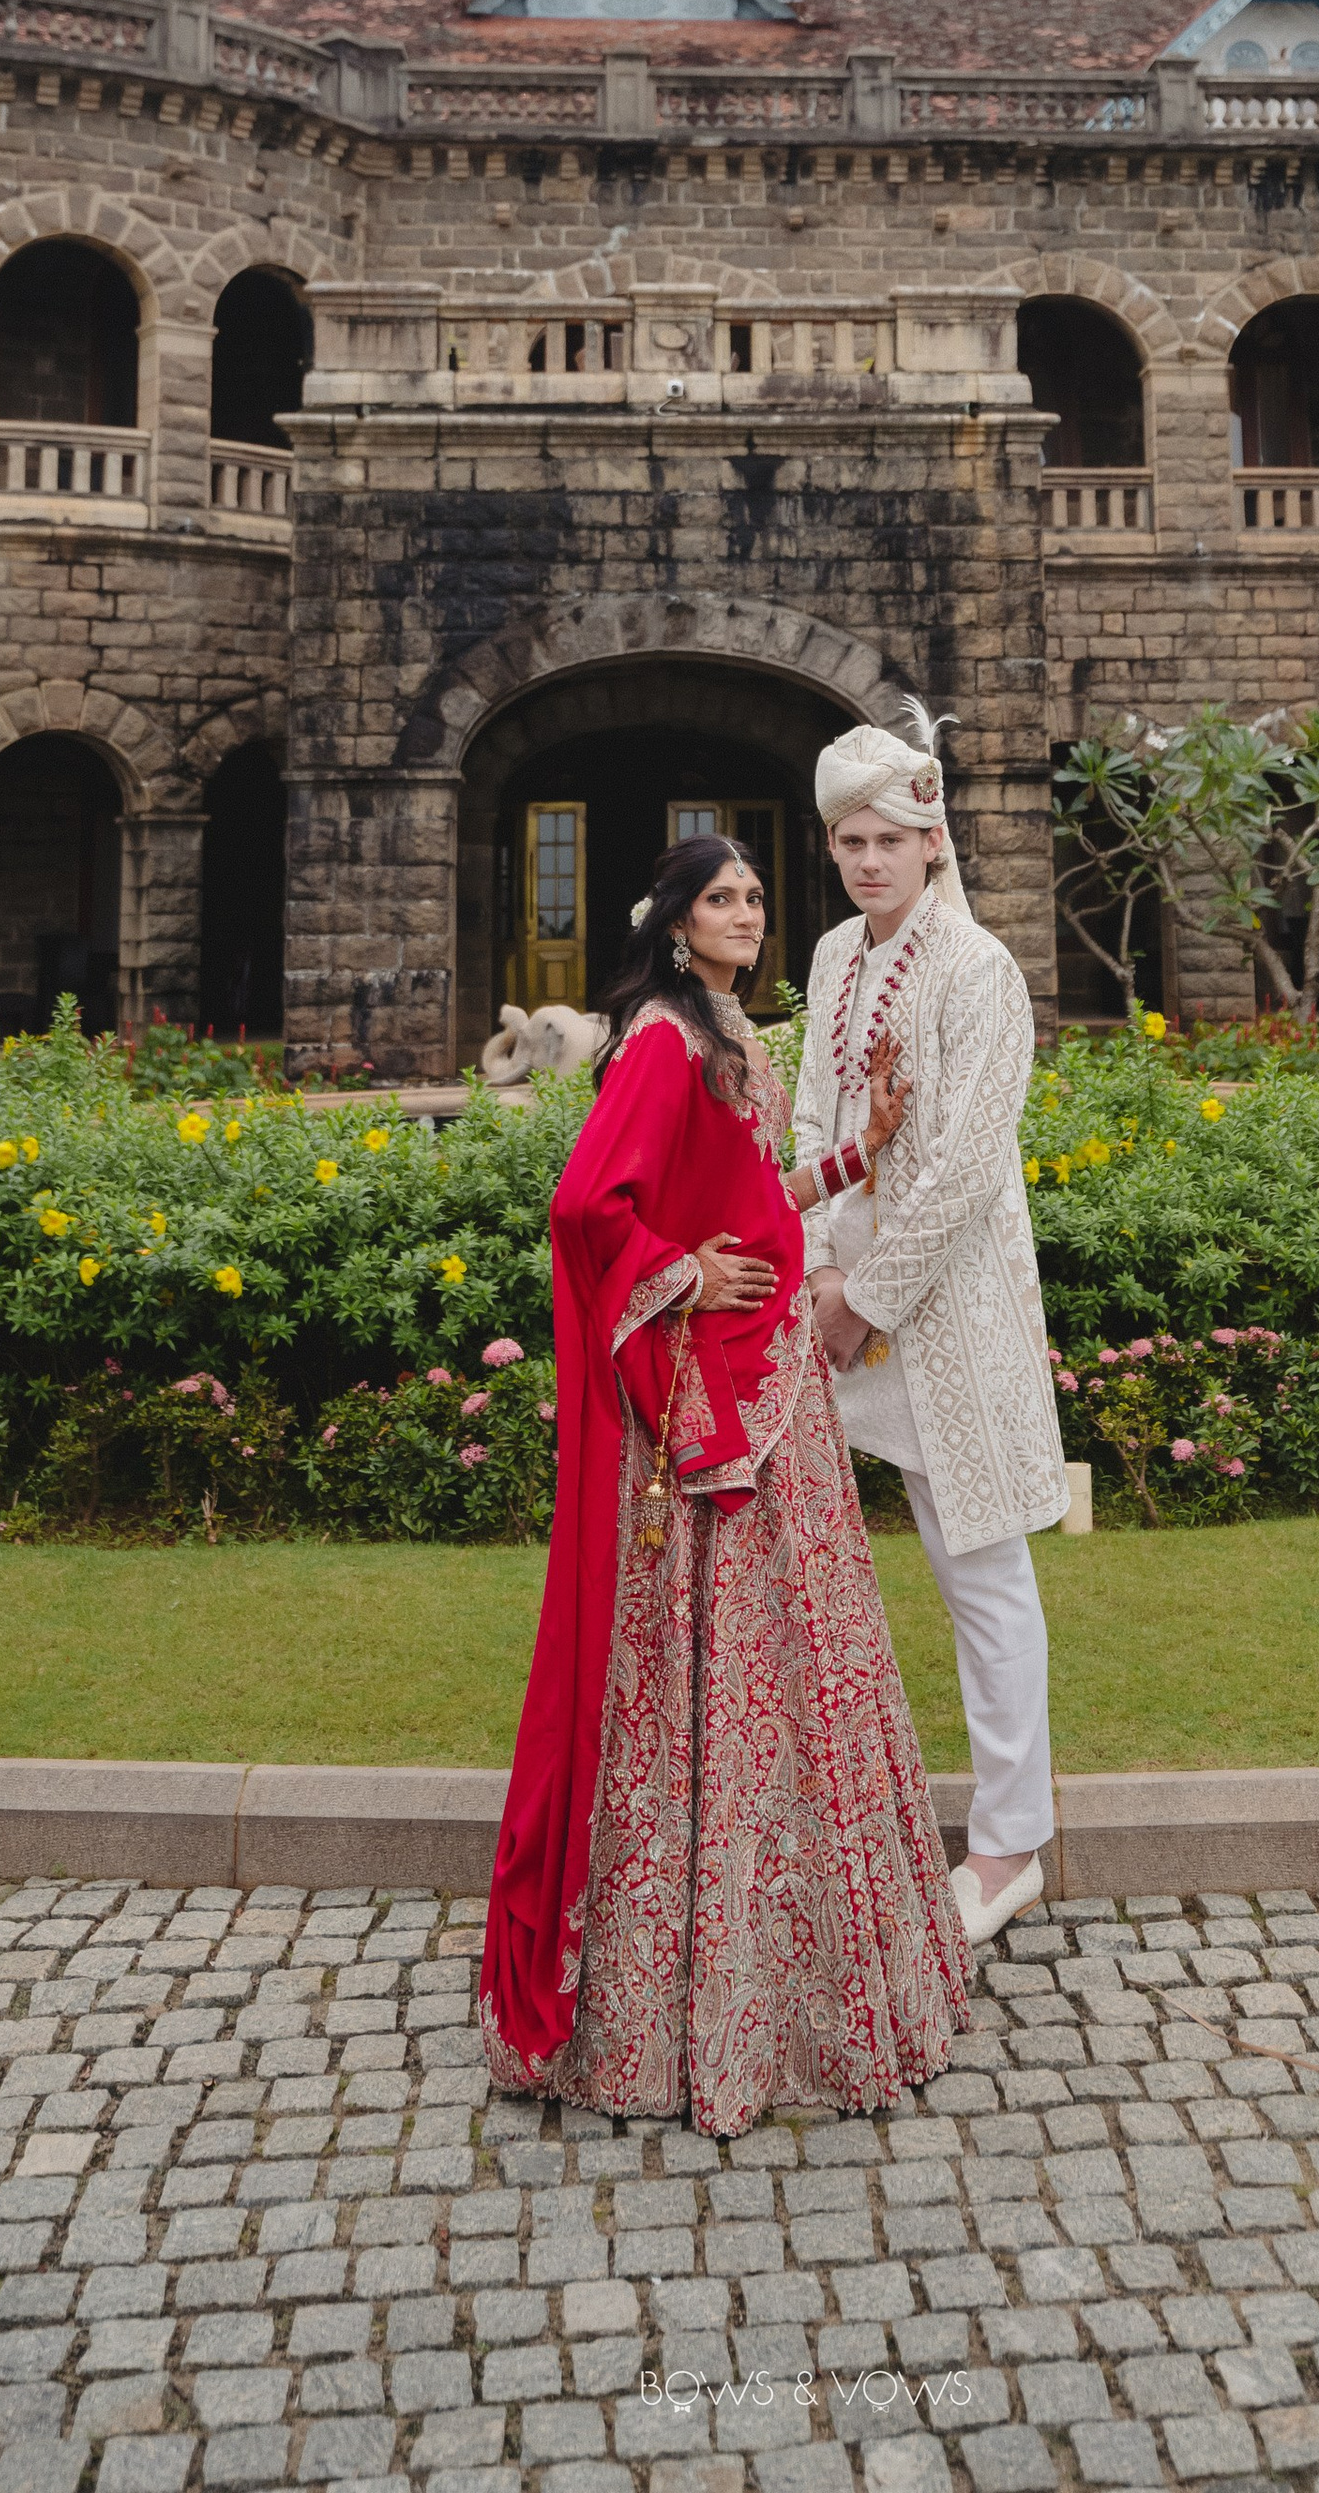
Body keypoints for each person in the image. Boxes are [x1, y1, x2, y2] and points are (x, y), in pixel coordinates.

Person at [479, 829, 966, 2136]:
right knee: (710, 1668)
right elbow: (590, 1206)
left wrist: (861, 1147)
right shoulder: (660, 1038)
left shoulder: (726, 1035)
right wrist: (686, 1273)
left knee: (792, 1665)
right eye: (722, 897)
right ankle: (684, 2003)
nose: (746, 911)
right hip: (707, 1399)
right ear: (677, 917)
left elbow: (762, 1202)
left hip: (770, 1383)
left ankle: (789, 1974)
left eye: (755, 894)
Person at [793, 713, 1070, 1951]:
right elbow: (809, 1115)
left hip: (942, 1315)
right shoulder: (829, 957)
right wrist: (811, 1274)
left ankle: (1009, 1843)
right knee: (799, 1566)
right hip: (828, 1308)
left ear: (933, 839)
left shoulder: (981, 970)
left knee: (983, 1579)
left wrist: (867, 1297)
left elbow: (964, 1167)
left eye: (890, 838)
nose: (867, 860)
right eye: (849, 839)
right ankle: (802, 1816)